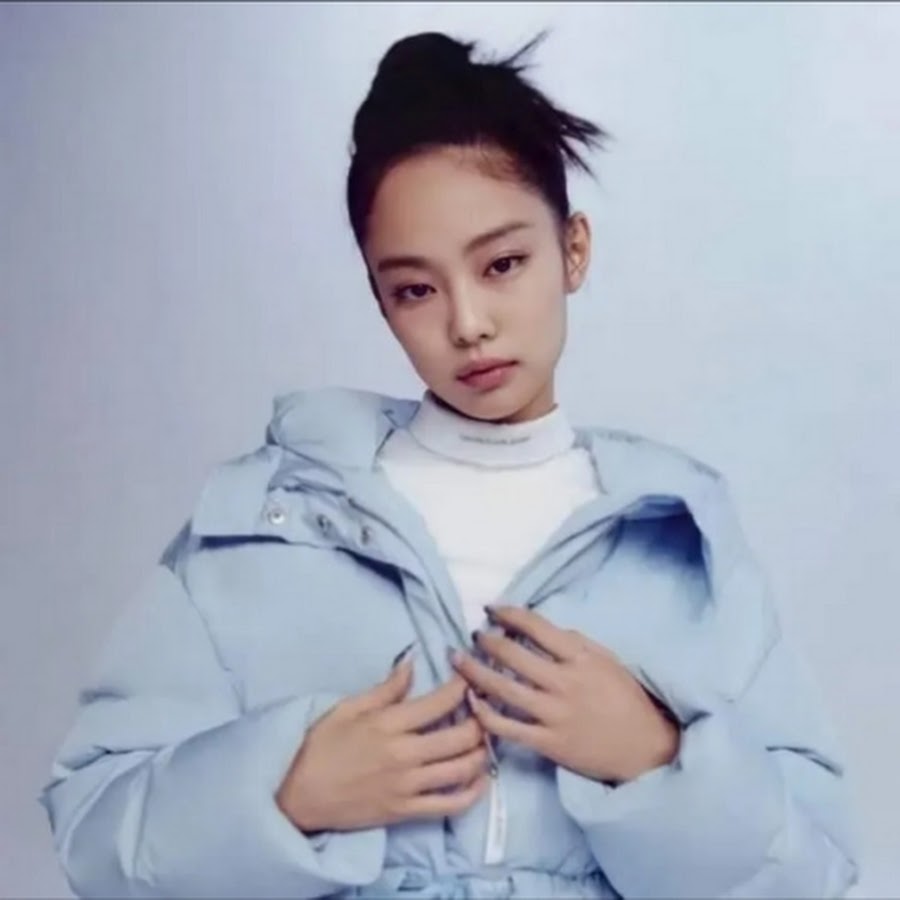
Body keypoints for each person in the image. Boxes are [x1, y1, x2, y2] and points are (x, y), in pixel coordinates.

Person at [38, 29, 859, 900]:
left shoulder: (682, 538)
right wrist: (287, 793)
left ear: (573, 250)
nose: (467, 324)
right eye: (416, 289)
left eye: (502, 264)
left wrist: (655, 758)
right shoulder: (265, 523)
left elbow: (813, 871)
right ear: (380, 299)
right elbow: (95, 835)